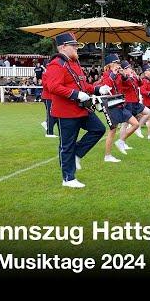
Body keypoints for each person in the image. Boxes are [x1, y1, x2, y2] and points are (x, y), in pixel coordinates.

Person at [42, 32, 107, 188]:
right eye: (74, 45)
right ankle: (68, 178)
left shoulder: (73, 63)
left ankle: (77, 154)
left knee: (98, 129)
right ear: (64, 47)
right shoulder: (57, 64)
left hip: (80, 109)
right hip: (66, 111)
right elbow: (53, 87)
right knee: (67, 145)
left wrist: (97, 90)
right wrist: (76, 94)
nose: (77, 48)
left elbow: (82, 85)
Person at [95, 54, 137, 162]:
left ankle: (121, 141)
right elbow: (107, 87)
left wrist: (124, 75)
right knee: (112, 130)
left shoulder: (119, 74)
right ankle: (107, 156)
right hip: (111, 105)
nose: (119, 65)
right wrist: (113, 75)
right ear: (110, 64)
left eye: (119, 63)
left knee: (135, 124)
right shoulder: (106, 74)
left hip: (121, 104)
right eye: (116, 63)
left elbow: (127, 84)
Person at [119, 61, 150, 140]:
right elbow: (124, 80)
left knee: (148, 112)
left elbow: (140, 84)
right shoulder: (123, 77)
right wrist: (125, 75)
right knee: (125, 124)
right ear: (124, 70)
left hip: (135, 102)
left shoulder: (133, 76)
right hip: (128, 103)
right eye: (128, 68)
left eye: (130, 67)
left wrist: (138, 77)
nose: (130, 69)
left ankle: (138, 128)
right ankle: (121, 141)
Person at [40, 73, 57, 138]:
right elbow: (46, 85)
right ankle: (49, 133)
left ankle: (47, 123)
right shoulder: (45, 74)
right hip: (48, 97)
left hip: (52, 97)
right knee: (50, 115)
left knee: (55, 115)